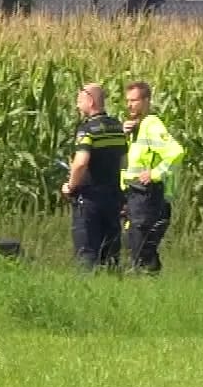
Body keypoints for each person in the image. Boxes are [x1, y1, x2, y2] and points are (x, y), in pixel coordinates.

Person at [60, 83, 126, 271]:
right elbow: (124, 162)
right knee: (111, 253)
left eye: (80, 101)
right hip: (113, 197)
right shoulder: (117, 127)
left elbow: (81, 162)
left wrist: (71, 186)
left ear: (90, 101)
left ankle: (85, 292)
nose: (77, 106)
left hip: (90, 198)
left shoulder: (87, 130)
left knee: (87, 253)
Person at [121, 80, 185, 274]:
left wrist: (155, 173)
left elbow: (175, 152)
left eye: (134, 100)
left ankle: (145, 281)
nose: (130, 105)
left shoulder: (152, 125)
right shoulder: (137, 128)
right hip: (133, 195)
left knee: (140, 251)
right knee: (139, 247)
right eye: (128, 101)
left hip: (147, 196)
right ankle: (151, 279)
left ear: (146, 101)